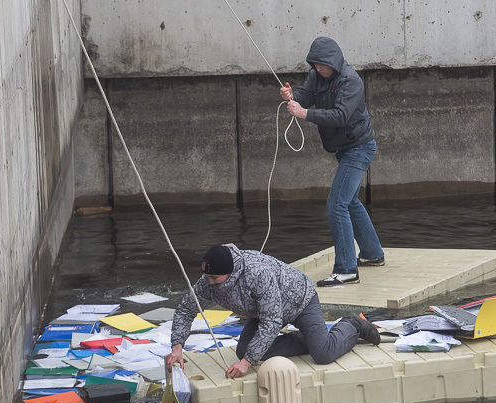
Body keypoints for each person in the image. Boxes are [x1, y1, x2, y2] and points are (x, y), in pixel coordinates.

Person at [164, 244, 380, 378]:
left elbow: (272, 321)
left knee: (322, 354)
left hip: (300, 301)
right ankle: (311, 339)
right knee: (245, 351)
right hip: (265, 311)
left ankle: (351, 324)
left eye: (214, 279)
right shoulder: (209, 281)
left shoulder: (256, 274)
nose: (209, 283)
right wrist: (177, 347)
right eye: (207, 278)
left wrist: (246, 363)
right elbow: (185, 309)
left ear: (230, 273)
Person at [280, 36, 385, 287]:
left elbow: (340, 116)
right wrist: (292, 95)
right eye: (314, 65)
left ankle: (346, 270)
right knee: (349, 202)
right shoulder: (317, 75)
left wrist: (304, 114)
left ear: (333, 62)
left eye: (322, 65)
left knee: (336, 204)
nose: (318, 69)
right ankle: (372, 254)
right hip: (344, 149)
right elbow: (305, 94)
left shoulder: (351, 81)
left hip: (359, 148)